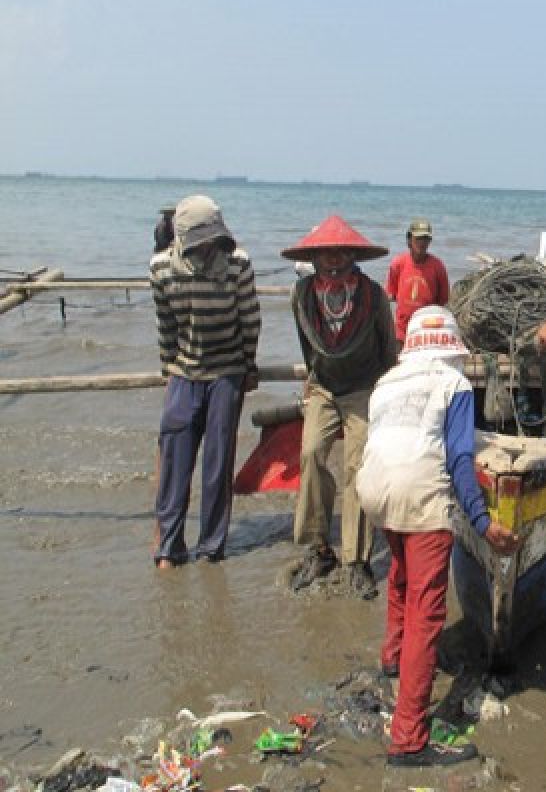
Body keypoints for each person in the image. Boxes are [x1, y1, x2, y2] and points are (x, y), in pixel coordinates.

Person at [357, 305, 518, 768]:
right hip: (418, 490)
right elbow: (460, 460)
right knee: (427, 611)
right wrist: (484, 525)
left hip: (373, 486)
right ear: (452, 350)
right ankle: (408, 739)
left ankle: (391, 659)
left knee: (402, 578)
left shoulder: (388, 381)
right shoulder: (455, 385)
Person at [285, 215, 397, 599]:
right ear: (314, 258)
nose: (333, 261)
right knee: (311, 454)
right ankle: (318, 549)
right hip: (324, 388)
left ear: (353, 255)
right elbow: (308, 346)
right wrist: (312, 382)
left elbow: (388, 349)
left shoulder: (373, 295)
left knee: (358, 467)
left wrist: (382, 394)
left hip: (363, 388)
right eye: (325, 254)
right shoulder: (300, 296)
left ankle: (356, 558)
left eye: (340, 253)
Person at [150, 195, 260, 568]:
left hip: (227, 370)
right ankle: (169, 546)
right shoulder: (162, 268)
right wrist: (170, 369)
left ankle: (211, 547)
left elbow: (250, 321)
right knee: (175, 458)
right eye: (202, 241)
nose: (209, 248)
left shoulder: (237, 265)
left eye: (214, 240)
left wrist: (248, 367)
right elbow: (166, 325)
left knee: (217, 462)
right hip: (185, 371)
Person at [384, 218, 450, 342]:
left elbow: (443, 301)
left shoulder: (438, 266)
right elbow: (390, 295)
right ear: (409, 240)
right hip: (402, 331)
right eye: (418, 238)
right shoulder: (398, 263)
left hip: (427, 331)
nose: (422, 243)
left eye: (426, 239)